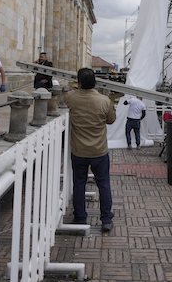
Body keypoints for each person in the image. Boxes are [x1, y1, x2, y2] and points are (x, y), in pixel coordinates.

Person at [64, 68, 117, 232]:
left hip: (79, 150)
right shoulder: (104, 100)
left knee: (79, 184)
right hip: (99, 150)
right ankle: (106, 219)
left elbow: (65, 99)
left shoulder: (71, 97)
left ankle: (80, 216)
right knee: (104, 184)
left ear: (79, 83)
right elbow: (111, 120)